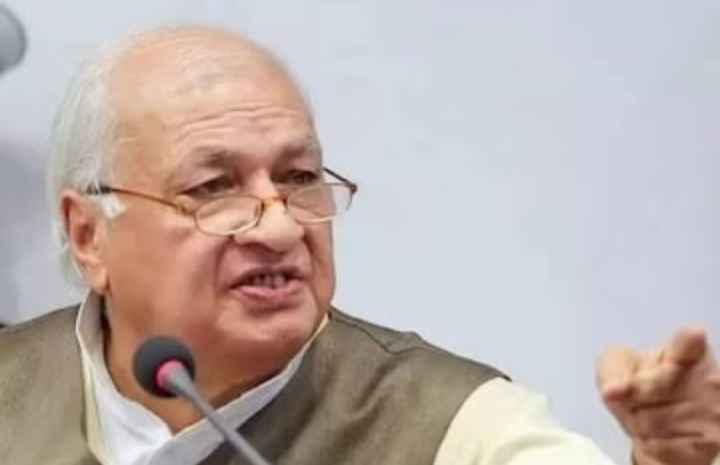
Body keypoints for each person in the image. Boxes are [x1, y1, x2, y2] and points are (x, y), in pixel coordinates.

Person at [0, 24, 718, 465]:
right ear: (89, 234)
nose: (281, 227)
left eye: (300, 178)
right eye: (215, 187)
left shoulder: (455, 428)